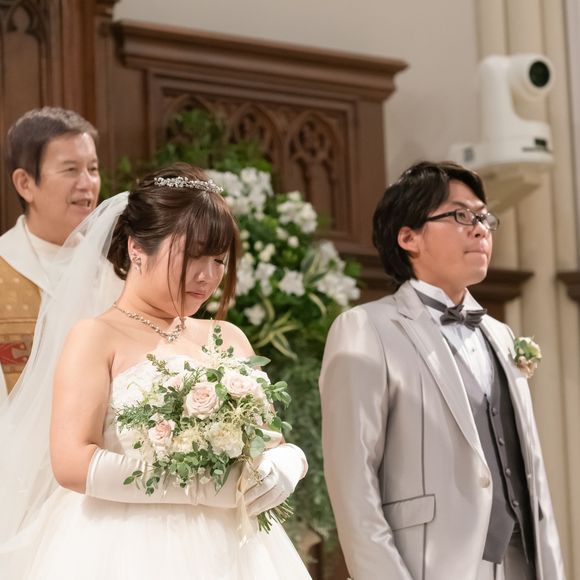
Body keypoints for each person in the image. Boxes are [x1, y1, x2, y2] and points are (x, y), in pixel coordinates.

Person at [0, 163, 310, 579]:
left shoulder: (228, 336)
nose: (208, 276)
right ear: (136, 249)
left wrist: (289, 462)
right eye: (193, 256)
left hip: (235, 549)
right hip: (123, 547)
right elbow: (72, 461)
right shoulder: (96, 336)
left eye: (219, 260)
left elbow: (269, 441)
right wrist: (197, 487)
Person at [319, 161, 565, 580]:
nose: (480, 229)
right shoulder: (366, 329)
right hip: (431, 565)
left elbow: (533, 474)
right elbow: (352, 483)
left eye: (483, 218)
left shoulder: (501, 335)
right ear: (409, 237)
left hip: (523, 562)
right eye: (460, 216)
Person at [0, 107, 100, 398]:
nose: (87, 183)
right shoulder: (5, 266)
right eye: (71, 170)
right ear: (25, 184)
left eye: (93, 169)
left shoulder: (117, 269)